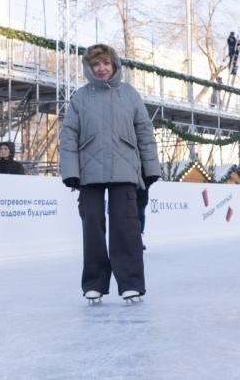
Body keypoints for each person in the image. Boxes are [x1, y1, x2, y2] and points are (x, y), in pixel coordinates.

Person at [60, 44, 161, 304]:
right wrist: (70, 172)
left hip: (125, 168)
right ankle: (94, 283)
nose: (102, 69)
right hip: (88, 172)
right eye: (96, 65)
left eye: (106, 63)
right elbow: (69, 135)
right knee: (92, 226)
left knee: (126, 227)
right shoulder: (81, 97)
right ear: (89, 68)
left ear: (114, 65)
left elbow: (144, 134)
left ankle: (131, 284)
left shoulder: (129, 95)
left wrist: (150, 169)